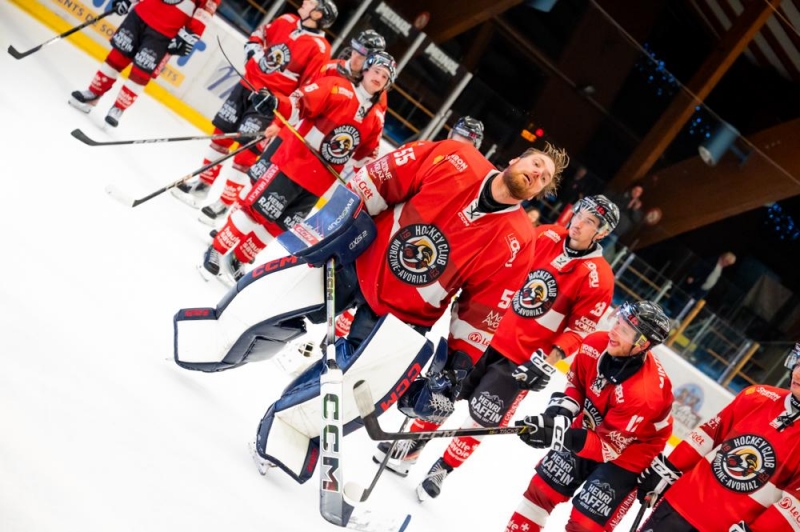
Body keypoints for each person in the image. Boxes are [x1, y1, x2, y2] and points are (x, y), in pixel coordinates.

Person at [229, 138, 568, 483]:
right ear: (514, 159)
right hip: (356, 260)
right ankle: (224, 336)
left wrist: (457, 365)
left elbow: (482, 308)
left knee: (353, 383)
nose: (538, 174)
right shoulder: (456, 157)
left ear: (538, 194)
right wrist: (335, 227)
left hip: (405, 315)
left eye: (544, 178)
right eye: (536, 163)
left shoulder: (520, 239)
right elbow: (378, 180)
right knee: (280, 309)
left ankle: (286, 430)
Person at [376, 195, 620, 501]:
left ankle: (443, 468)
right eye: (579, 214)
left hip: (521, 360)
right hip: (486, 332)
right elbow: (508, 269)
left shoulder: (599, 279)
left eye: (589, 222)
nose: (578, 223)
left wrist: (546, 361)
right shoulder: (546, 234)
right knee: (445, 392)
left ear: (602, 233)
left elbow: (578, 330)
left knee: (482, 418)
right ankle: (413, 446)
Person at [199, 51, 396, 284]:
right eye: (376, 71)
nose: (379, 78)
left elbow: (365, 157)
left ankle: (238, 257)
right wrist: (275, 102)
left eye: (384, 76)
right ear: (365, 70)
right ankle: (218, 248)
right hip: (292, 165)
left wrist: (373, 185)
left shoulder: (375, 118)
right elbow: (298, 103)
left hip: (318, 183)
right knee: (257, 211)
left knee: (280, 225)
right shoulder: (336, 86)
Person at [505, 301, 674, 532]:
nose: (613, 331)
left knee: (586, 525)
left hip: (631, 450)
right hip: (594, 424)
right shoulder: (595, 344)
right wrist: (559, 415)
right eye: (618, 322)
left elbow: (607, 448)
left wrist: (559, 436)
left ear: (641, 345)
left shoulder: (643, 395)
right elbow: (577, 384)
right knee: (542, 490)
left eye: (624, 330)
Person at [171, 0, 338, 211]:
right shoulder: (286, 19)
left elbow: (305, 89)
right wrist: (254, 52)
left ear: (317, 15)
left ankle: (224, 203)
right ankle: (203, 184)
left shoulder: (320, 49)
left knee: (245, 153)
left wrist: (279, 121)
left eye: (311, 2)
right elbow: (261, 33)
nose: (305, 2)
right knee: (220, 134)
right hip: (246, 86)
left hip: (268, 103)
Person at [637, 343, 800, 531]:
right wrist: (671, 467)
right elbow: (708, 435)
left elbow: (794, 507)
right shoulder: (757, 396)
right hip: (680, 506)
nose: (797, 373)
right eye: (798, 362)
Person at [69, 0, 220, 127]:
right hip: (141, 13)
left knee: (141, 72)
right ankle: (93, 93)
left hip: (167, 31)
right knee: (116, 57)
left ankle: (119, 108)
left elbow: (207, 8)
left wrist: (190, 35)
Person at [310, 29, 386, 82]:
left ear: (371, 61)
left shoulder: (373, 85)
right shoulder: (330, 67)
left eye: (361, 54)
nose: (354, 56)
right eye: (355, 48)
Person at [604, 184, 644, 249]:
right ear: (632, 189)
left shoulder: (638, 207)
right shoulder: (622, 196)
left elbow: (636, 220)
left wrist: (634, 209)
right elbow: (614, 206)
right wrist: (627, 205)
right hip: (607, 227)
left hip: (616, 233)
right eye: (635, 190)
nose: (636, 193)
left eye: (639, 192)